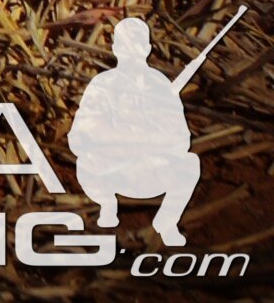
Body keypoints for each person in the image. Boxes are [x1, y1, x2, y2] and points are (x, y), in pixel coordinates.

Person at [69, 16, 202, 246]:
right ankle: (107, 205)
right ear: (115, 49)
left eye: (137, 45)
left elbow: (182, 140)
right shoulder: (102, 85)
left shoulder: (160, 85)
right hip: (111, 170)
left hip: (150, 170)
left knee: (190, 163)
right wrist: (120, 139)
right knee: (85, 162)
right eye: (125, 45)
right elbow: (78, 138)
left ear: (147, 49)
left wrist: (153, 139)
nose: (131, 52)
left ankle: (167, 223)